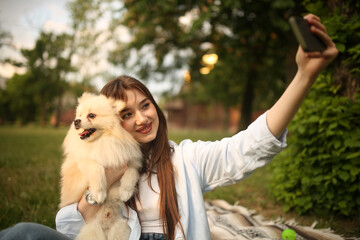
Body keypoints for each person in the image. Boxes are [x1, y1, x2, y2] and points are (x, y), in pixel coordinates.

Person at [0, 14, 338, 240]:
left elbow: (249, 147)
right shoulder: (94, 166)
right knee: (24, 233)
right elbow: (69, 225)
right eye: (127, 114)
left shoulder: (185, 159)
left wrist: (304, 76)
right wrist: (108, 178)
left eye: (145, 105)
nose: (142, 118)